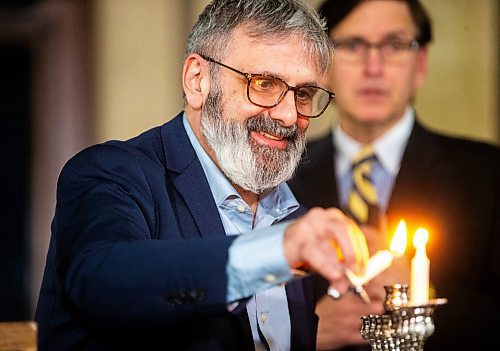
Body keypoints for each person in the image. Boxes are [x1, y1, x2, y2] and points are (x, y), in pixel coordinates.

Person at [34, 0, 371, 350]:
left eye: (303, 94)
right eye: (264, 83)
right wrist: (277, 250)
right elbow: (100, 283)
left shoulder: (298, 213)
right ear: (197, 81)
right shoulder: (113, 173)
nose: (288, 115)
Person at [288, 0, 500, 350]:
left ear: (420, 63)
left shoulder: (488, 174)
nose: (374, 67)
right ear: (321, 64)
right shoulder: (279, 176)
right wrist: (301, 330)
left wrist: (422, 296)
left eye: (394, 45)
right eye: (353, 45)